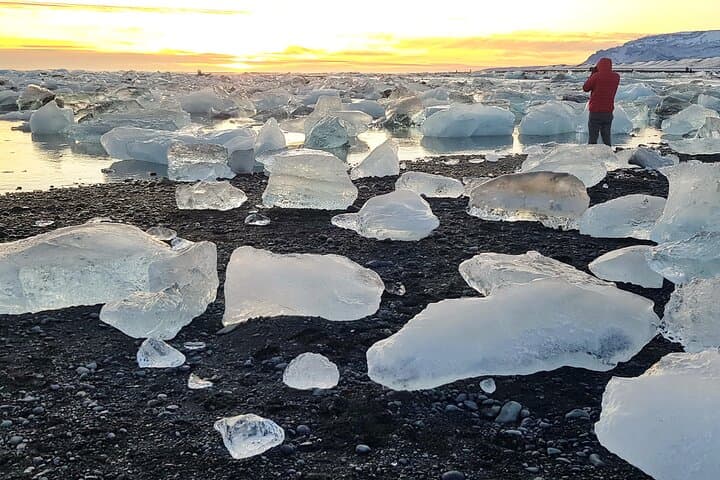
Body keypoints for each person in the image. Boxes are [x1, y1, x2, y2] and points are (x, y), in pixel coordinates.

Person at [582, 57, 620, 146]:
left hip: (595, 111)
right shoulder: (616, 77)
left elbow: (585, 88)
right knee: (606, 137)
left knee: (593, 138)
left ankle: (592, 157)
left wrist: (593, 74)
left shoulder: (596, 76)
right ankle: (609, 156)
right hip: (608, 111)